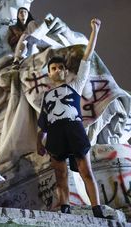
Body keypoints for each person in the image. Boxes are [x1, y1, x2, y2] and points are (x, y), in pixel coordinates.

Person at [37, 18, 111, 219]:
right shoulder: (47, 96)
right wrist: (39, 141)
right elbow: (43, 121)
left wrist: (94, 31)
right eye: (53, 69)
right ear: (50, 74)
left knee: (85, 170)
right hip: (55, 133)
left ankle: (97, 209)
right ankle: (65, 209)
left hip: (74, 128)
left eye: (61, 68)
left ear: (65, 71)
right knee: (61, 175)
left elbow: (87, 58)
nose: (58, 70)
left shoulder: (75, 85)